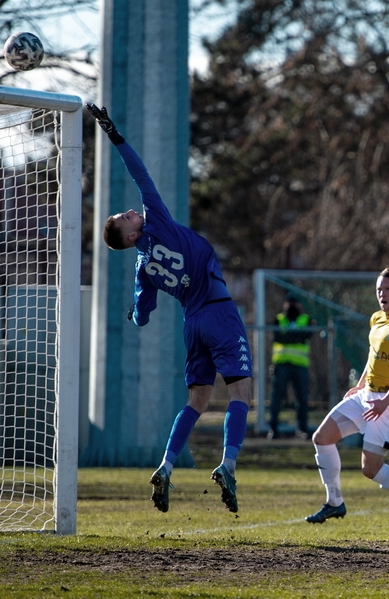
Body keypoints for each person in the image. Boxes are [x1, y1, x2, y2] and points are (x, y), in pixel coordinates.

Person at [87, 104, 252, 515]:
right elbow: (140, 173)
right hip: (218, 311)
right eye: (124, 217)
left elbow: (143, 314)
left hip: (192, 324)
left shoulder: (142, 268)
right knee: (241, 394)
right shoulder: (155, 221)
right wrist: (114, 134)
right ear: (130, 235)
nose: (130, 211)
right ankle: (228, 465)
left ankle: (166, 465)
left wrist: (132, 313)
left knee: (197, 400)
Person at [304, 266, 389, 533]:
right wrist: (360, 385)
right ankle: (334, 502)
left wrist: (384, 402)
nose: (381, 294)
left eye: (387, 289)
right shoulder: (377, 318)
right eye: (379, 289)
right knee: (322, 437)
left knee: (370, 469)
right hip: (367, 396)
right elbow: (373, 355)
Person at [268, 294, 314, 439]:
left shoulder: (306, 320)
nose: (292, 306)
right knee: (276, 397)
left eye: (294, 303)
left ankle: (302, 428)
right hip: (281, 364)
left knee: (302, 398)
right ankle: (273, 428)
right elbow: (278, 337)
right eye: (289, 303)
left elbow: (304, 337)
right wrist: (295, 336)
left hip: (300, 365)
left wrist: (289, 336)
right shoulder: (279, 319)